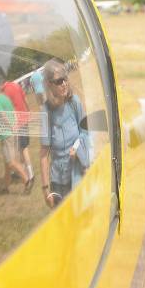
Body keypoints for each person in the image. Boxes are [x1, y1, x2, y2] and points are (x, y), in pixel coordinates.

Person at [38, 59, 91, 208]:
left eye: (65, 79)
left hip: (80, 173)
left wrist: (77, 148)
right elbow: (43, 155)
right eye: (59, 81)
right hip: (59, 183)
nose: (64, 84)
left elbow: (86, 132)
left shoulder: (74, 102)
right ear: (49, 85)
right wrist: (45, 190)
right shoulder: (46, 112)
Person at [0, 77, 31, 193]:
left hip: (6, 134)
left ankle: (27, 180)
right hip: (12, 133)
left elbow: (3, 115)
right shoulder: (5, 98)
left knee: (11, 162)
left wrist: (9, 126)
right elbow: (13, 112)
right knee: (7, 165)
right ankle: (6, 187)